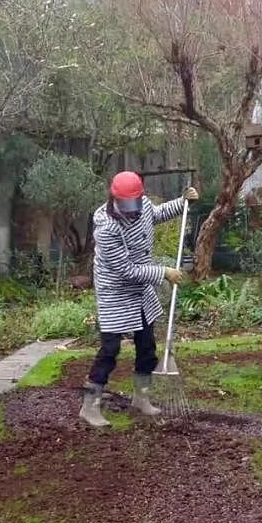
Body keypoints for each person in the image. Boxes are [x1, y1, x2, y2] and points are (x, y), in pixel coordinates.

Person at [79, 171, 199, 427]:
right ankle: (89, 406)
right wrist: (163, 272)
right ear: (114, 198)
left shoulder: (141, 205)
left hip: (141, 288)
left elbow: (155, 215)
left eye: (135, 202)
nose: (131, 209)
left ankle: (141, 399)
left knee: (147, 346)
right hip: (115, 291)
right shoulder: (107, 228)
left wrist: (182, 202)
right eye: (125, 203)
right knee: (110, 350)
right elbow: (126, 270)